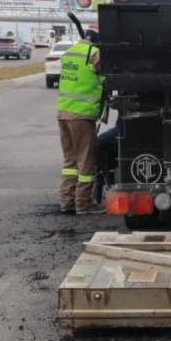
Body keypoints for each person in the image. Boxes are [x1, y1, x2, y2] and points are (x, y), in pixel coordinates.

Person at [57, 30, 104, 215]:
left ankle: (67, 200)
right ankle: (83, 203)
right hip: (81, 115)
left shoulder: (70, 53)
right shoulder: (93, 53)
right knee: (86, 160)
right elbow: (104, 73)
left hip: (63, 113)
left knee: (70, 161)